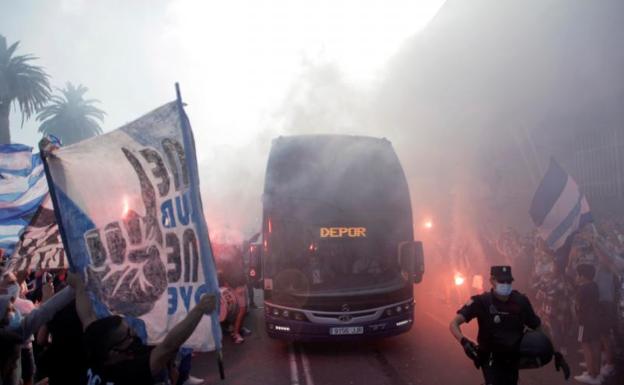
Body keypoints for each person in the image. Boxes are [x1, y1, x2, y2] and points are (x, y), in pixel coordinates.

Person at [67, 272, 216, 385]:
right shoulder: (126, 374)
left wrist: (79, 284)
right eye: (128, 335)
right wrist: (199, 309)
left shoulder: (95, 346)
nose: (135, 333)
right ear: (113, 353)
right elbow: (168, 346)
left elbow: (87, 316)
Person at [449, 265, 568, 385]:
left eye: (508, 281)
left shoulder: (521, 301)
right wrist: (464, 342)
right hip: (490, 358)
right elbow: (454, 324)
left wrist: (556, 353)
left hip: (513, 358)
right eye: (501, 281)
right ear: (492, 281)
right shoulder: (481, 302)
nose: (505, 284)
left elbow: (540, 327)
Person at [573, 264, 603, 384]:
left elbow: (577, 305)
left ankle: (591, 374)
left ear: (583, 276)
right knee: (596, 345)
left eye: (578, 274)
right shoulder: (595, 286)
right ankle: (597, 373)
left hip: (583, 321)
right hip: (596, 320)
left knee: (585, 345)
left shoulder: (582, 289)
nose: (577, 277)